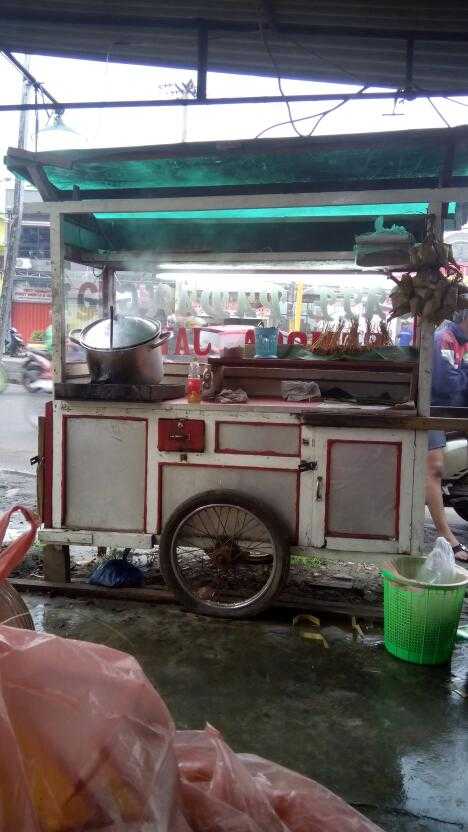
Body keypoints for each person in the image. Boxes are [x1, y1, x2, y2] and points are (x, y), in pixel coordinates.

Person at [427, 310, 468, 562]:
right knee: (434, 467)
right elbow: (446, 387)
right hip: (431, 409)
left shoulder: (462, 342)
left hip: (449, 410)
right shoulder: (445, 339)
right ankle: (445, 536)